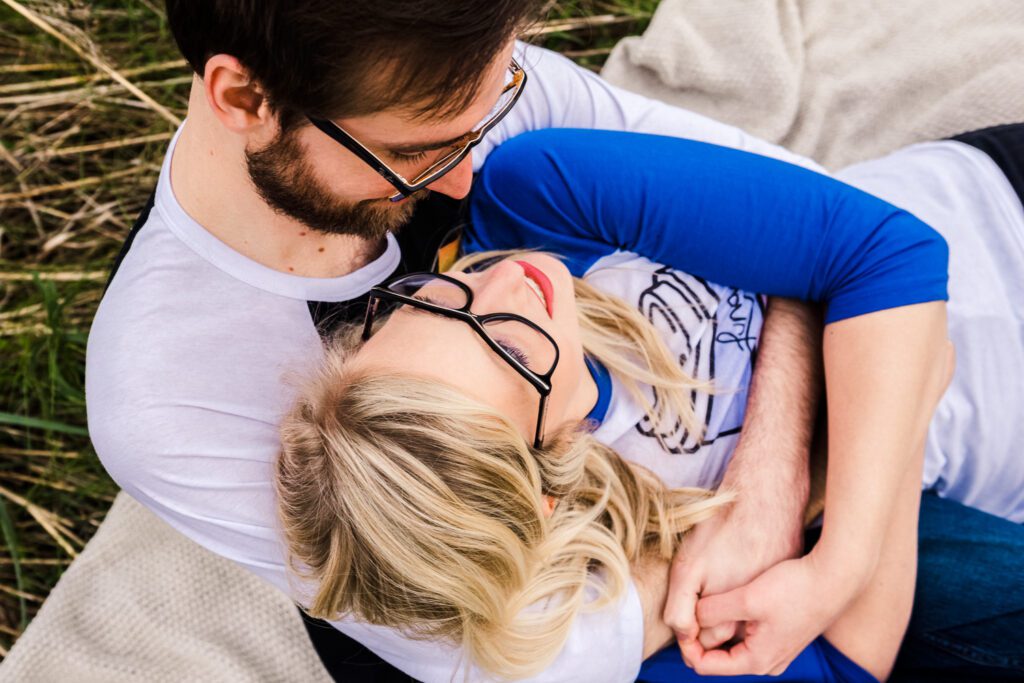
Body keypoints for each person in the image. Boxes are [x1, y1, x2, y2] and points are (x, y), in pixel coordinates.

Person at [86, 2, 842, 681]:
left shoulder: (449, 81)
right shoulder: (166, 391)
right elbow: (548, 656)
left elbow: (815, 217)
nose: (464, 178)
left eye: (491, 107)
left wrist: (772, 484)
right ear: (246, 99)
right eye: (415, 154)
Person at [276, 127, 1024, 681]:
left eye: (431, 302)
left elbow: (894, 251)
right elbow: (842, 669)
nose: (503, 281)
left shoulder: (537, 200)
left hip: (998, 222)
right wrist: (901, 397)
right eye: (507, 350)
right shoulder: (624, 590)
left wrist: (835, 560)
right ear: (542, 486)